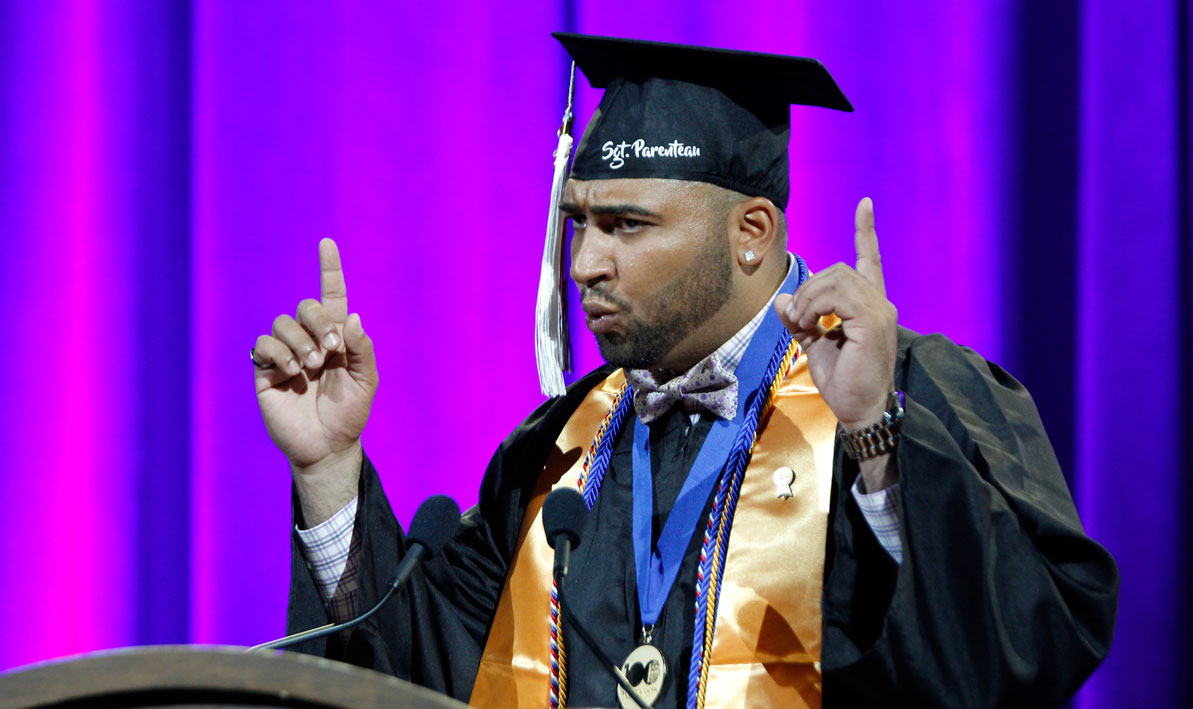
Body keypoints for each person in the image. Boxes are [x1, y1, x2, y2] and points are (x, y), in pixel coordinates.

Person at [250, 34, 1118, 708]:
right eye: (578, 223)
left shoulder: (905, 390)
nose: (584, 261)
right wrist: (328, 471)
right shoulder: (560, 451)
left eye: (627, 225)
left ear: (750, 233)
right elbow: (416, 675)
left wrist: (877, 443)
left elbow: (1018, 656)